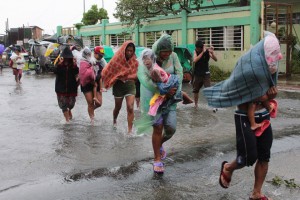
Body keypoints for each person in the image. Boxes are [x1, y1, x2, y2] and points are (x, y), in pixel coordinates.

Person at [203, 32, 282, 200]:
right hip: (244, 116)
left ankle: (256, 193)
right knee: (248, 157)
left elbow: (269, 91)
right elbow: (239, 89)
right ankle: (228, 168)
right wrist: (261, 98)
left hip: (264, 116)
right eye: (273, 55)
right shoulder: (248, 66)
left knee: (264, 156)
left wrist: (269, 98)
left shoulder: (271, 67)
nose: (277, 58)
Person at [137, 34, 183, 173]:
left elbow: (179, 73)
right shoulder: (149, 57)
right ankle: (157, 159)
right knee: (158, 127)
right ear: (158, 50)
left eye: (169, 51)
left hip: (171, 98)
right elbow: (144, 78)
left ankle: (160, 144)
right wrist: (162, 90)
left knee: (171, 128)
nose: (167, 54)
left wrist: (174, 89)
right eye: (164, 51)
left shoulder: (173, 56)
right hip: (154, 99)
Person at [101, 41, 138, 134]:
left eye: (131, 51)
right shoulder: (116, 60)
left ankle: (130, 131)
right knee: (118, 107)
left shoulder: (135, 61)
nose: (129, 53)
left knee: (130, 107)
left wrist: (129, 77)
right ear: (124, 50)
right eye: (128, 50)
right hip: (118, 86)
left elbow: (138, 74)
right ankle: (114, 120)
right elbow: (106, 71)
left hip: (130, 85)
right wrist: (105, 83)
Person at [54, 46, 79, 123]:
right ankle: (67, 121)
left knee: (71, 104)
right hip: (61, 88)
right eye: (65, 58)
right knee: (63, 105)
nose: (67, 59)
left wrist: (75, 64)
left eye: (68, 58)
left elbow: (77, 74)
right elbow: (55, 72)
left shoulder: (74, 66)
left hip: (71, 88)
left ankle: (69, 111)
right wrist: (58, 64)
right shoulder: (59, 66)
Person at [192, 40, 217, 110]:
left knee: (208, 90)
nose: (196, 49)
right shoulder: (195, 52)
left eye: (198, 48)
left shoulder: (207, 52)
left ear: (201, 47)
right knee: (195, 90)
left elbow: (215, 59)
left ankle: (213, 105)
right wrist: (202, 52)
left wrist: (212, 53)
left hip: (206, 74)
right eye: (196, 48)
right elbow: (195, 60)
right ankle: (196, 104)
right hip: (197, 74)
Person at [79, 47, 98, 124]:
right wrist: (91, 68)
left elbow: (94, 72)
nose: (90, 55)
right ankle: (92, 119)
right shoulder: (82, 63)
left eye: (90, 54)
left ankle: (91, 116)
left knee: (95, 103)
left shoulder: (91, 61)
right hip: (86, 85)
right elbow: (85, 74)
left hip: (92, 84)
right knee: (90, 103)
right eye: (88, 54)